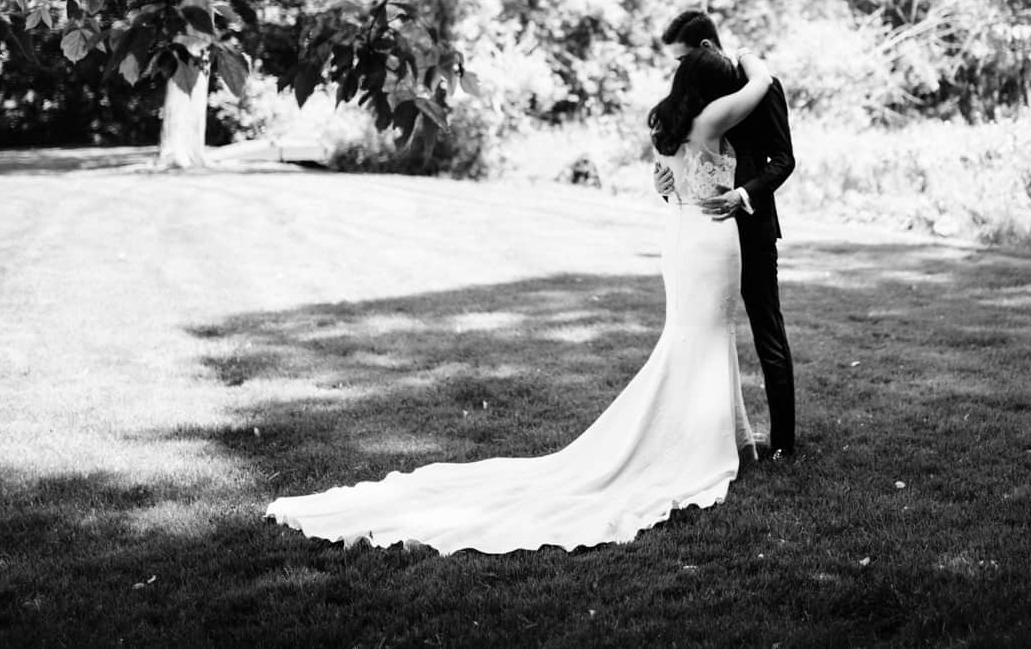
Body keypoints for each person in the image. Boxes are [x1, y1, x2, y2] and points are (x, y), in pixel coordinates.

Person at [266, 48, 773, 554]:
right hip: (709, 241)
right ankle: (699, 449)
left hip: (680, 236)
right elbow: (762, 82)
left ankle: (727, 438)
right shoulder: (711, 117)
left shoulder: (670, 119)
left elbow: (671, 183)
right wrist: (747, 57)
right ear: (712, 86)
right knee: (704, 336)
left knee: (697, 337)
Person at [655, 9, 797, 461]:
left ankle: (783, 445)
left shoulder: (763, 87)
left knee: (766, 332)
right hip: (703, 237)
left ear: (704, 49)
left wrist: (744, 195)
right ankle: (702, 438)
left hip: (750, 226)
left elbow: (782, 159)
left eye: (679, 61)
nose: (676, 72)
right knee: (699, 332)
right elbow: (680, 156)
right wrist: (664, 184)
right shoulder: (695, 93)